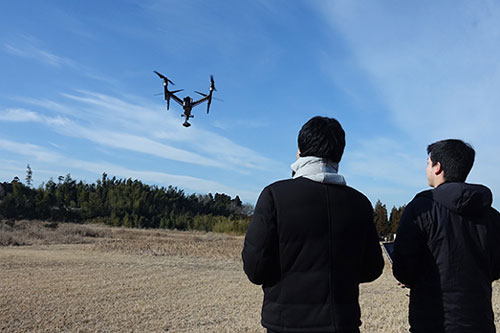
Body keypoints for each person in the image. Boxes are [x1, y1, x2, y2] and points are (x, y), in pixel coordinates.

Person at [242, 116, 384, 333]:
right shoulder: (360, 203)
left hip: (285, 322)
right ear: (340, 154)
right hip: (342, 323)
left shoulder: (275, 195)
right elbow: (372, 268)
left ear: (300, 151)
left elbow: (256, 268)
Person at [392, 139, 500, 332]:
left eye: (428, 163)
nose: (426, 168)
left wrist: (410, 278)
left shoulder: (421, 209)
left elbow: (404, 269)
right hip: (480, 321)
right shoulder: (492, 215)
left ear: (437, 167)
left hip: (432, 321)